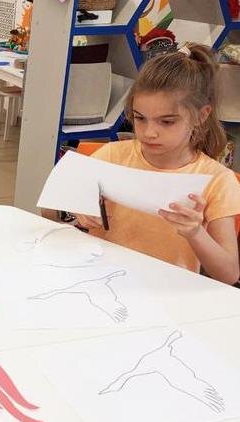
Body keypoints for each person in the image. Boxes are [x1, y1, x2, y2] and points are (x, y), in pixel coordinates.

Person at [75, 44, 240, 285]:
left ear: (201, 116)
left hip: (166, 294)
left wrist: (195, 233)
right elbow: (48, 212)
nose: (149, 133)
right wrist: (76, 210)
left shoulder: (217, 180)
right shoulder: (111, 156)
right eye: (140, 118)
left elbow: (229, 274)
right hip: (101, 282)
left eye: (167, 122)